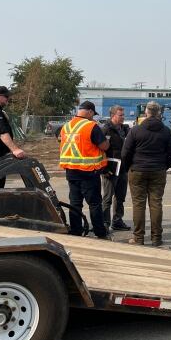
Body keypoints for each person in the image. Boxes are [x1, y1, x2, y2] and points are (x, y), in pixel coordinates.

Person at [122, 101, 171, 246]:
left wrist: (129, 167)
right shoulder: (166, 131)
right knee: (156, 203)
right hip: (158, 170)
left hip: (137, 170)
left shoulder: (135, 130)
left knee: (138, 204)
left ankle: (138, 238)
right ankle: (156, 238)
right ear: (159, 113)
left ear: (146, 112)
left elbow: (126, 152)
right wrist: (164, 166)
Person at [59, 101, 110, 239]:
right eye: (93, 114)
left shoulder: (66, 126)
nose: (93, 117)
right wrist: (108, 141)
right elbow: (104, 146)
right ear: (89, 111)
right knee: (94, 204)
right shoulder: (91, 126)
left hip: (71, 170)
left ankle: (76, 232)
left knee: (75, 203)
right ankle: (100, 232)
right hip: (88, 172)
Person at [101, 105, 131, 232]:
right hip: (110, 169)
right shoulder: (105, 130)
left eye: (123, 115)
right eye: (121, 115)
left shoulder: (125, 129)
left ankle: (117, 221)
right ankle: (104, 223)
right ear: (113, 115)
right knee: (107, 198)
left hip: (123, 168)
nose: (123, 117)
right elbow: (99, 150)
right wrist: (104, 169)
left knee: (120, 197)